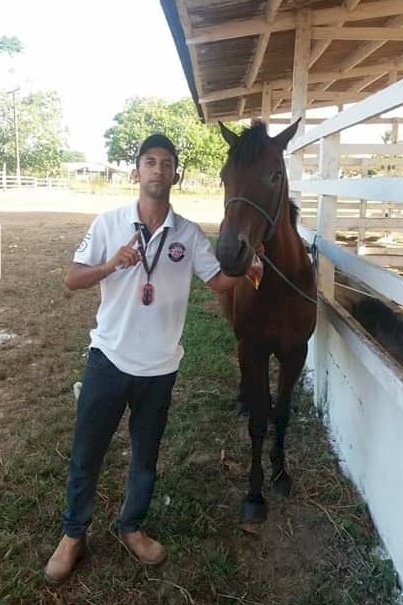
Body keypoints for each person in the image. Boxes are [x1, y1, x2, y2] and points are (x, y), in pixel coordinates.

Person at [44, 133, 238, 584]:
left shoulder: (187, 234)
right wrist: (112, 264)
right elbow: (73, 280)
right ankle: (73, 535)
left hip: (160, 367)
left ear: (176, 174)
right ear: (136, 172)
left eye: (166, 163)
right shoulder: (110, 222)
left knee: (145, 456)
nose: (158, 169)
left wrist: (249, 267)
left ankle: (131, 526)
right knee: (86, 453)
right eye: (149, 162)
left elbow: (218, 283)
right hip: (108, 358)